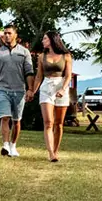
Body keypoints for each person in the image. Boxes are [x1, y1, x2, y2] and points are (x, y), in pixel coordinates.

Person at [0, 26, 32, 157]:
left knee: (17, 121)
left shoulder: (24, 52)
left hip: (19, 90)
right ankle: (5, 145)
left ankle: (13, 146)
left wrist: (30, 89)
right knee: (4, 117)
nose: (6, 35)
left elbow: (29, 72)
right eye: (4, 33)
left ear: (15, 35)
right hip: (2, 89)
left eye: (9, 33)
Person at [32, 30, 74, 161]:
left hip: (61, 86)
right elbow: (39, 76)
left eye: (45, 39)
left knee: (59, 123)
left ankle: (56, 150)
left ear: (52, 40)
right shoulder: (41, 57)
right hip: (46, 86)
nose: (42, 41)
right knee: (48, 122)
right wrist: (33, 91)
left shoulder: (66, 56)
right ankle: (51, 153)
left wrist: (63, 88)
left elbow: (68, 76)